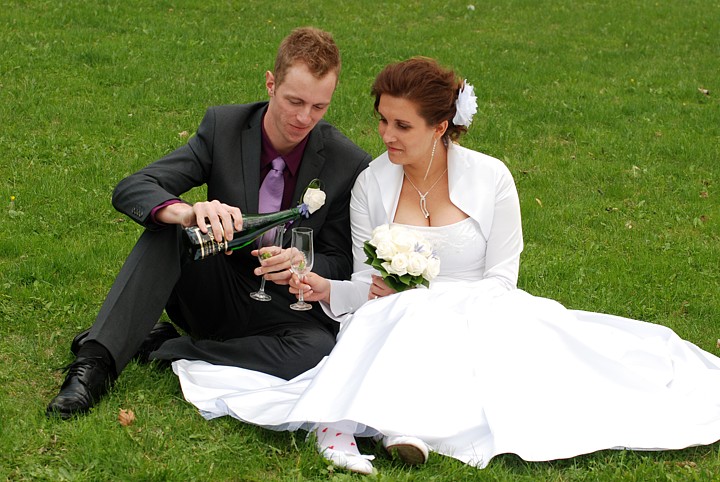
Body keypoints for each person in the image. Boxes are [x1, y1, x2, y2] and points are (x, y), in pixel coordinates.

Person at [172, 57, 720, 475]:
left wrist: (432, 300)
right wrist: (325, 289)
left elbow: (502, 278)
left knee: (431, 315)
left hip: (484, 311)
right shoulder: (371, 183)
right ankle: (359, 427)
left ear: (440, 126)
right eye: (382, 120)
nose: (385, 136)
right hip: (390, 313)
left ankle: (392, 423)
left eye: (402, 126)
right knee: (398, 313)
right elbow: (366, 284)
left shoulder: (492, 179)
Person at [46, 26, 372, 419]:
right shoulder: (225, 128)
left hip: (283, 310)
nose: (305, 118)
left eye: (319, 107)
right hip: (213, 288)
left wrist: (304, 263)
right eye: (295, 101)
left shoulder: (346, 161)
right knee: (171, 230)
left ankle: (164, 347)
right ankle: (95, 363)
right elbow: (134, 187)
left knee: (318, 350)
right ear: (271, 84)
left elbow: (341, 260)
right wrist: (187, 212)